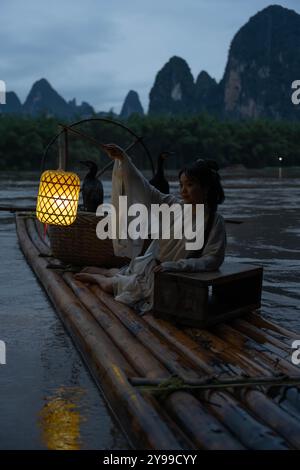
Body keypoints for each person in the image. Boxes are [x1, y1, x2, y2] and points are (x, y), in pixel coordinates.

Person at [75, 143, 226, 314]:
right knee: (121, 277)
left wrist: (178, 266)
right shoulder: (175, 206)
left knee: (111, 285)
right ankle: (102, 273)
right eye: (182, 185)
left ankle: (99, 276)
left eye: (190, 185)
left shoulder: (214, 221)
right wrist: (124, 160)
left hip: (170, 275)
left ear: (206, 188)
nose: (183, 191)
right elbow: (147, 190)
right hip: (153, 266)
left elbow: (212, 259)